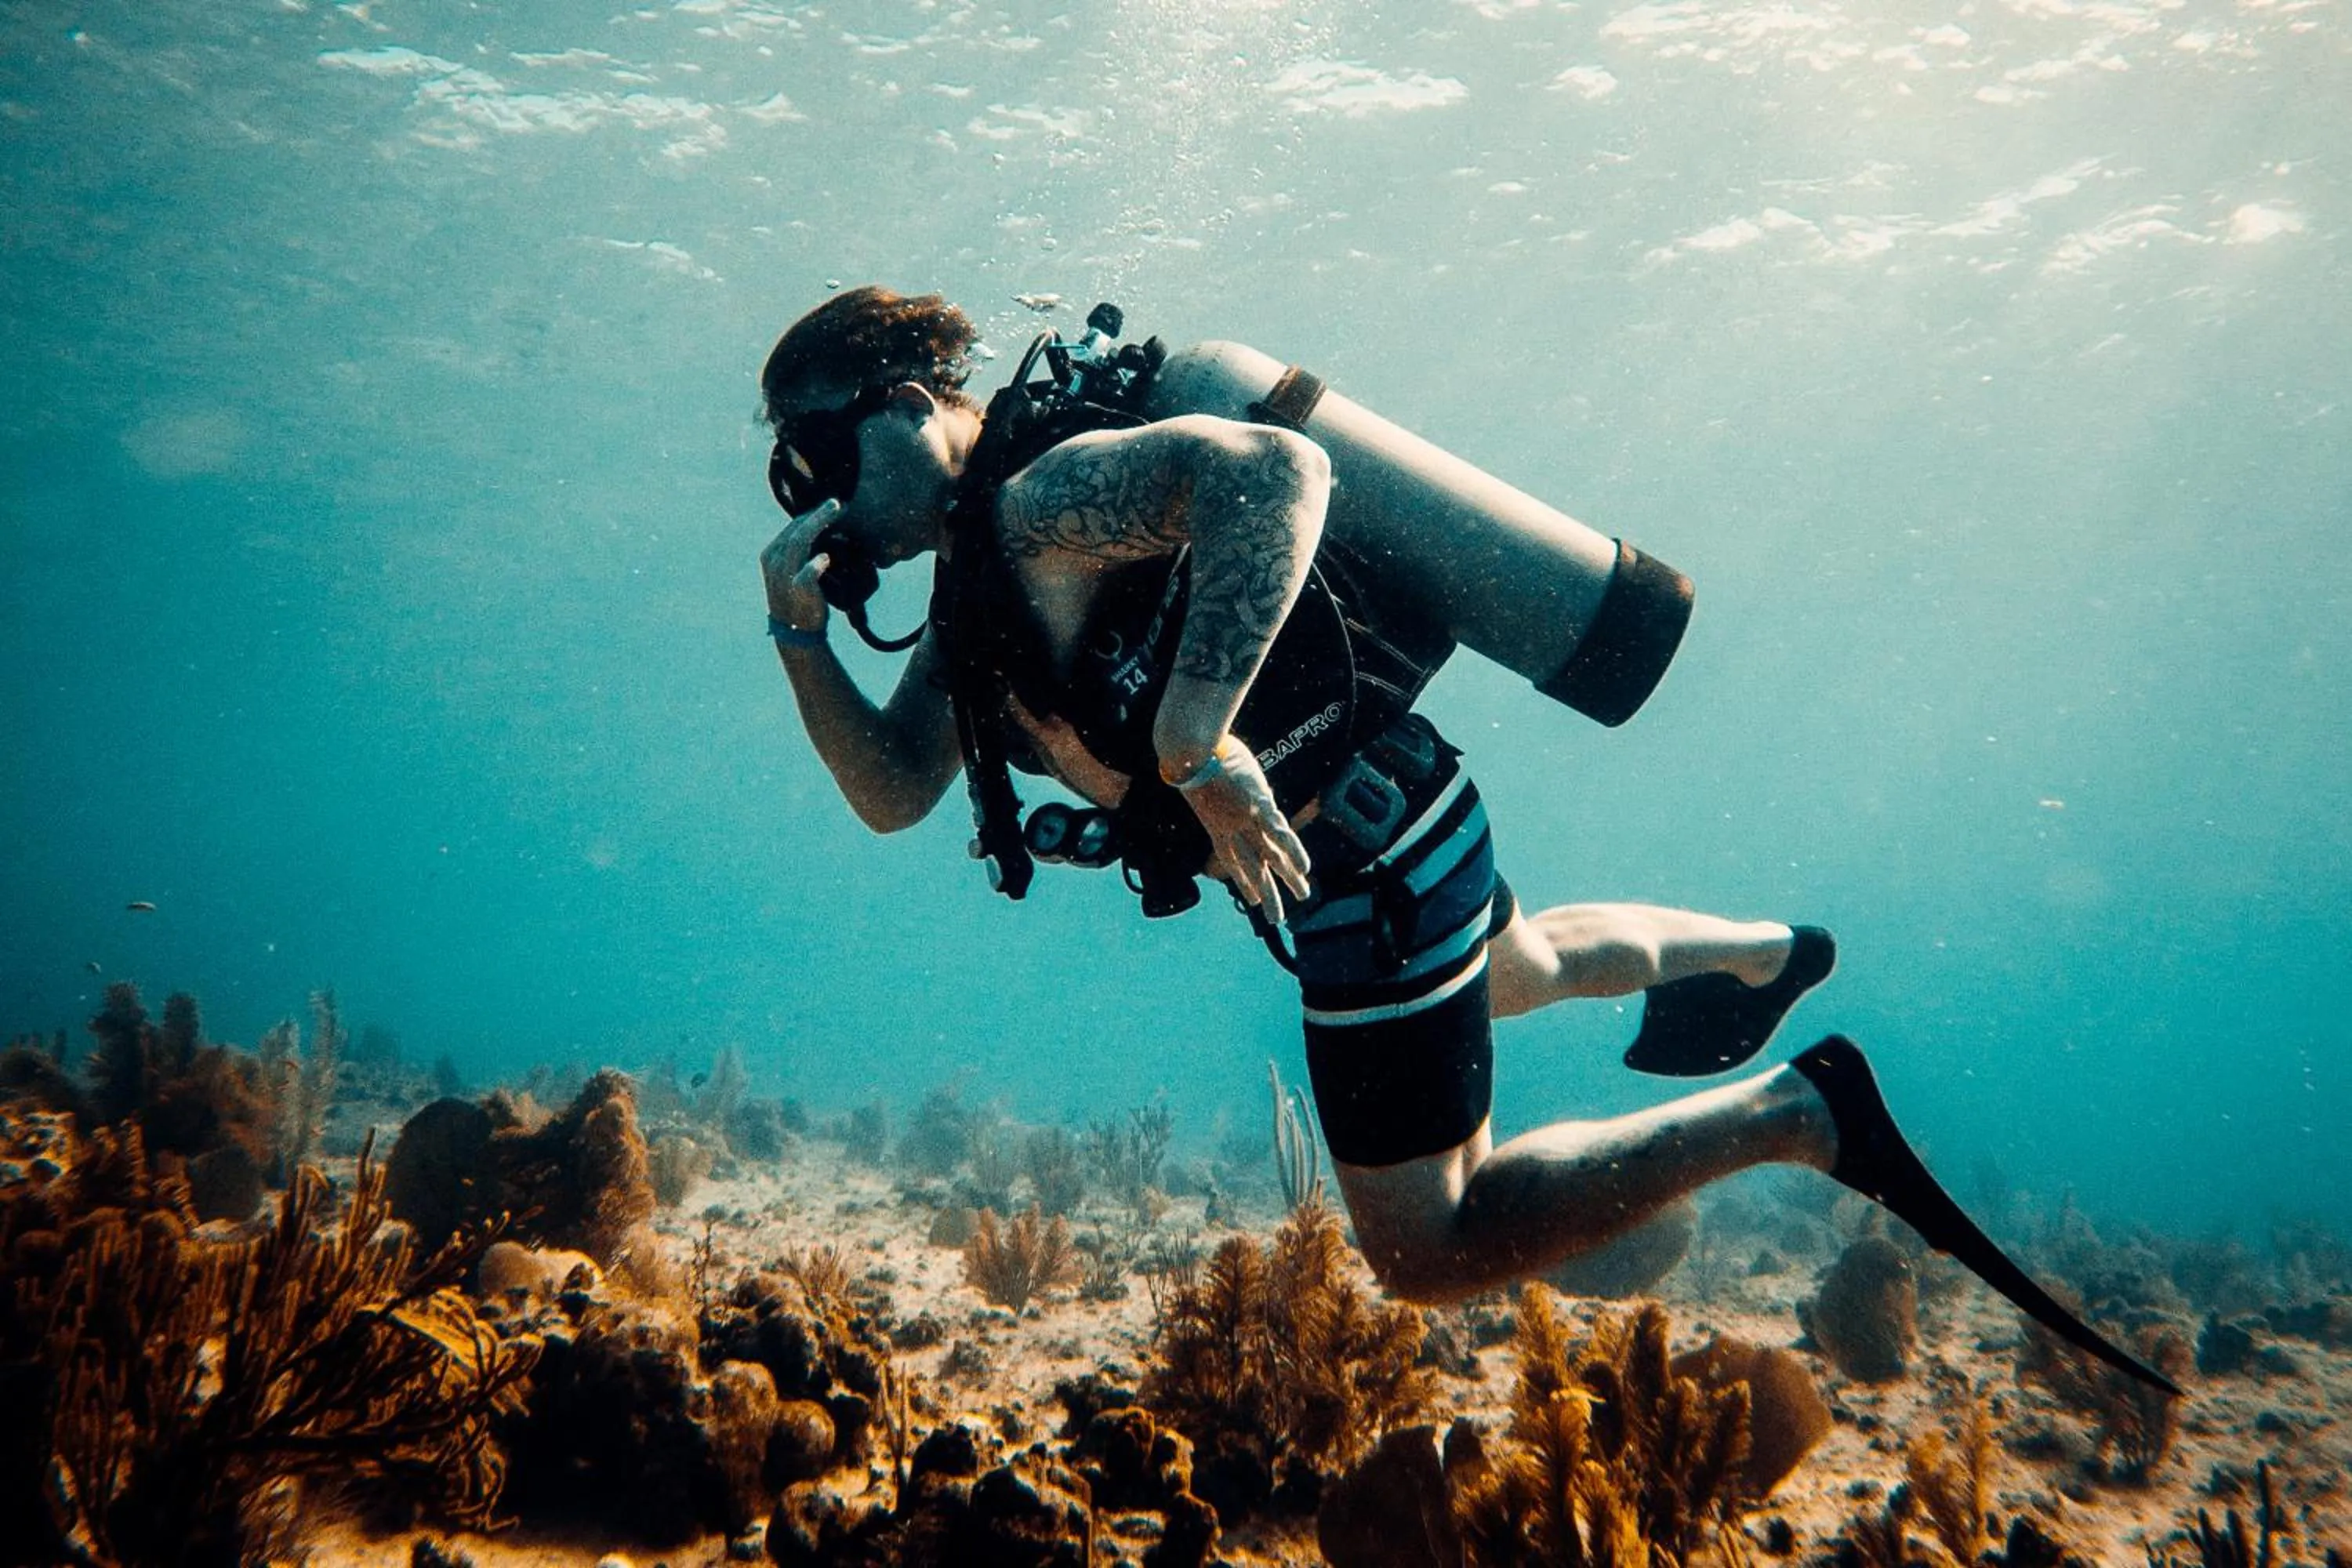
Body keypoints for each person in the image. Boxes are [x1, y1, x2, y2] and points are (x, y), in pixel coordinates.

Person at [752, 286, 2172, 1390]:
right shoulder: (974, 599)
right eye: (789, 473)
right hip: (1394, 833)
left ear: (907, 405)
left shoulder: (1042, 501)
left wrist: (1193, 741)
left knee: (1427, 1248)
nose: (814, 493)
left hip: (1366, 869)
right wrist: (800, 636)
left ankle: (1802, 1114)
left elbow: (1272, 476)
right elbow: (893, 790)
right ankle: (1761, 955)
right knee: (1516, 968)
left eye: (817, 453)